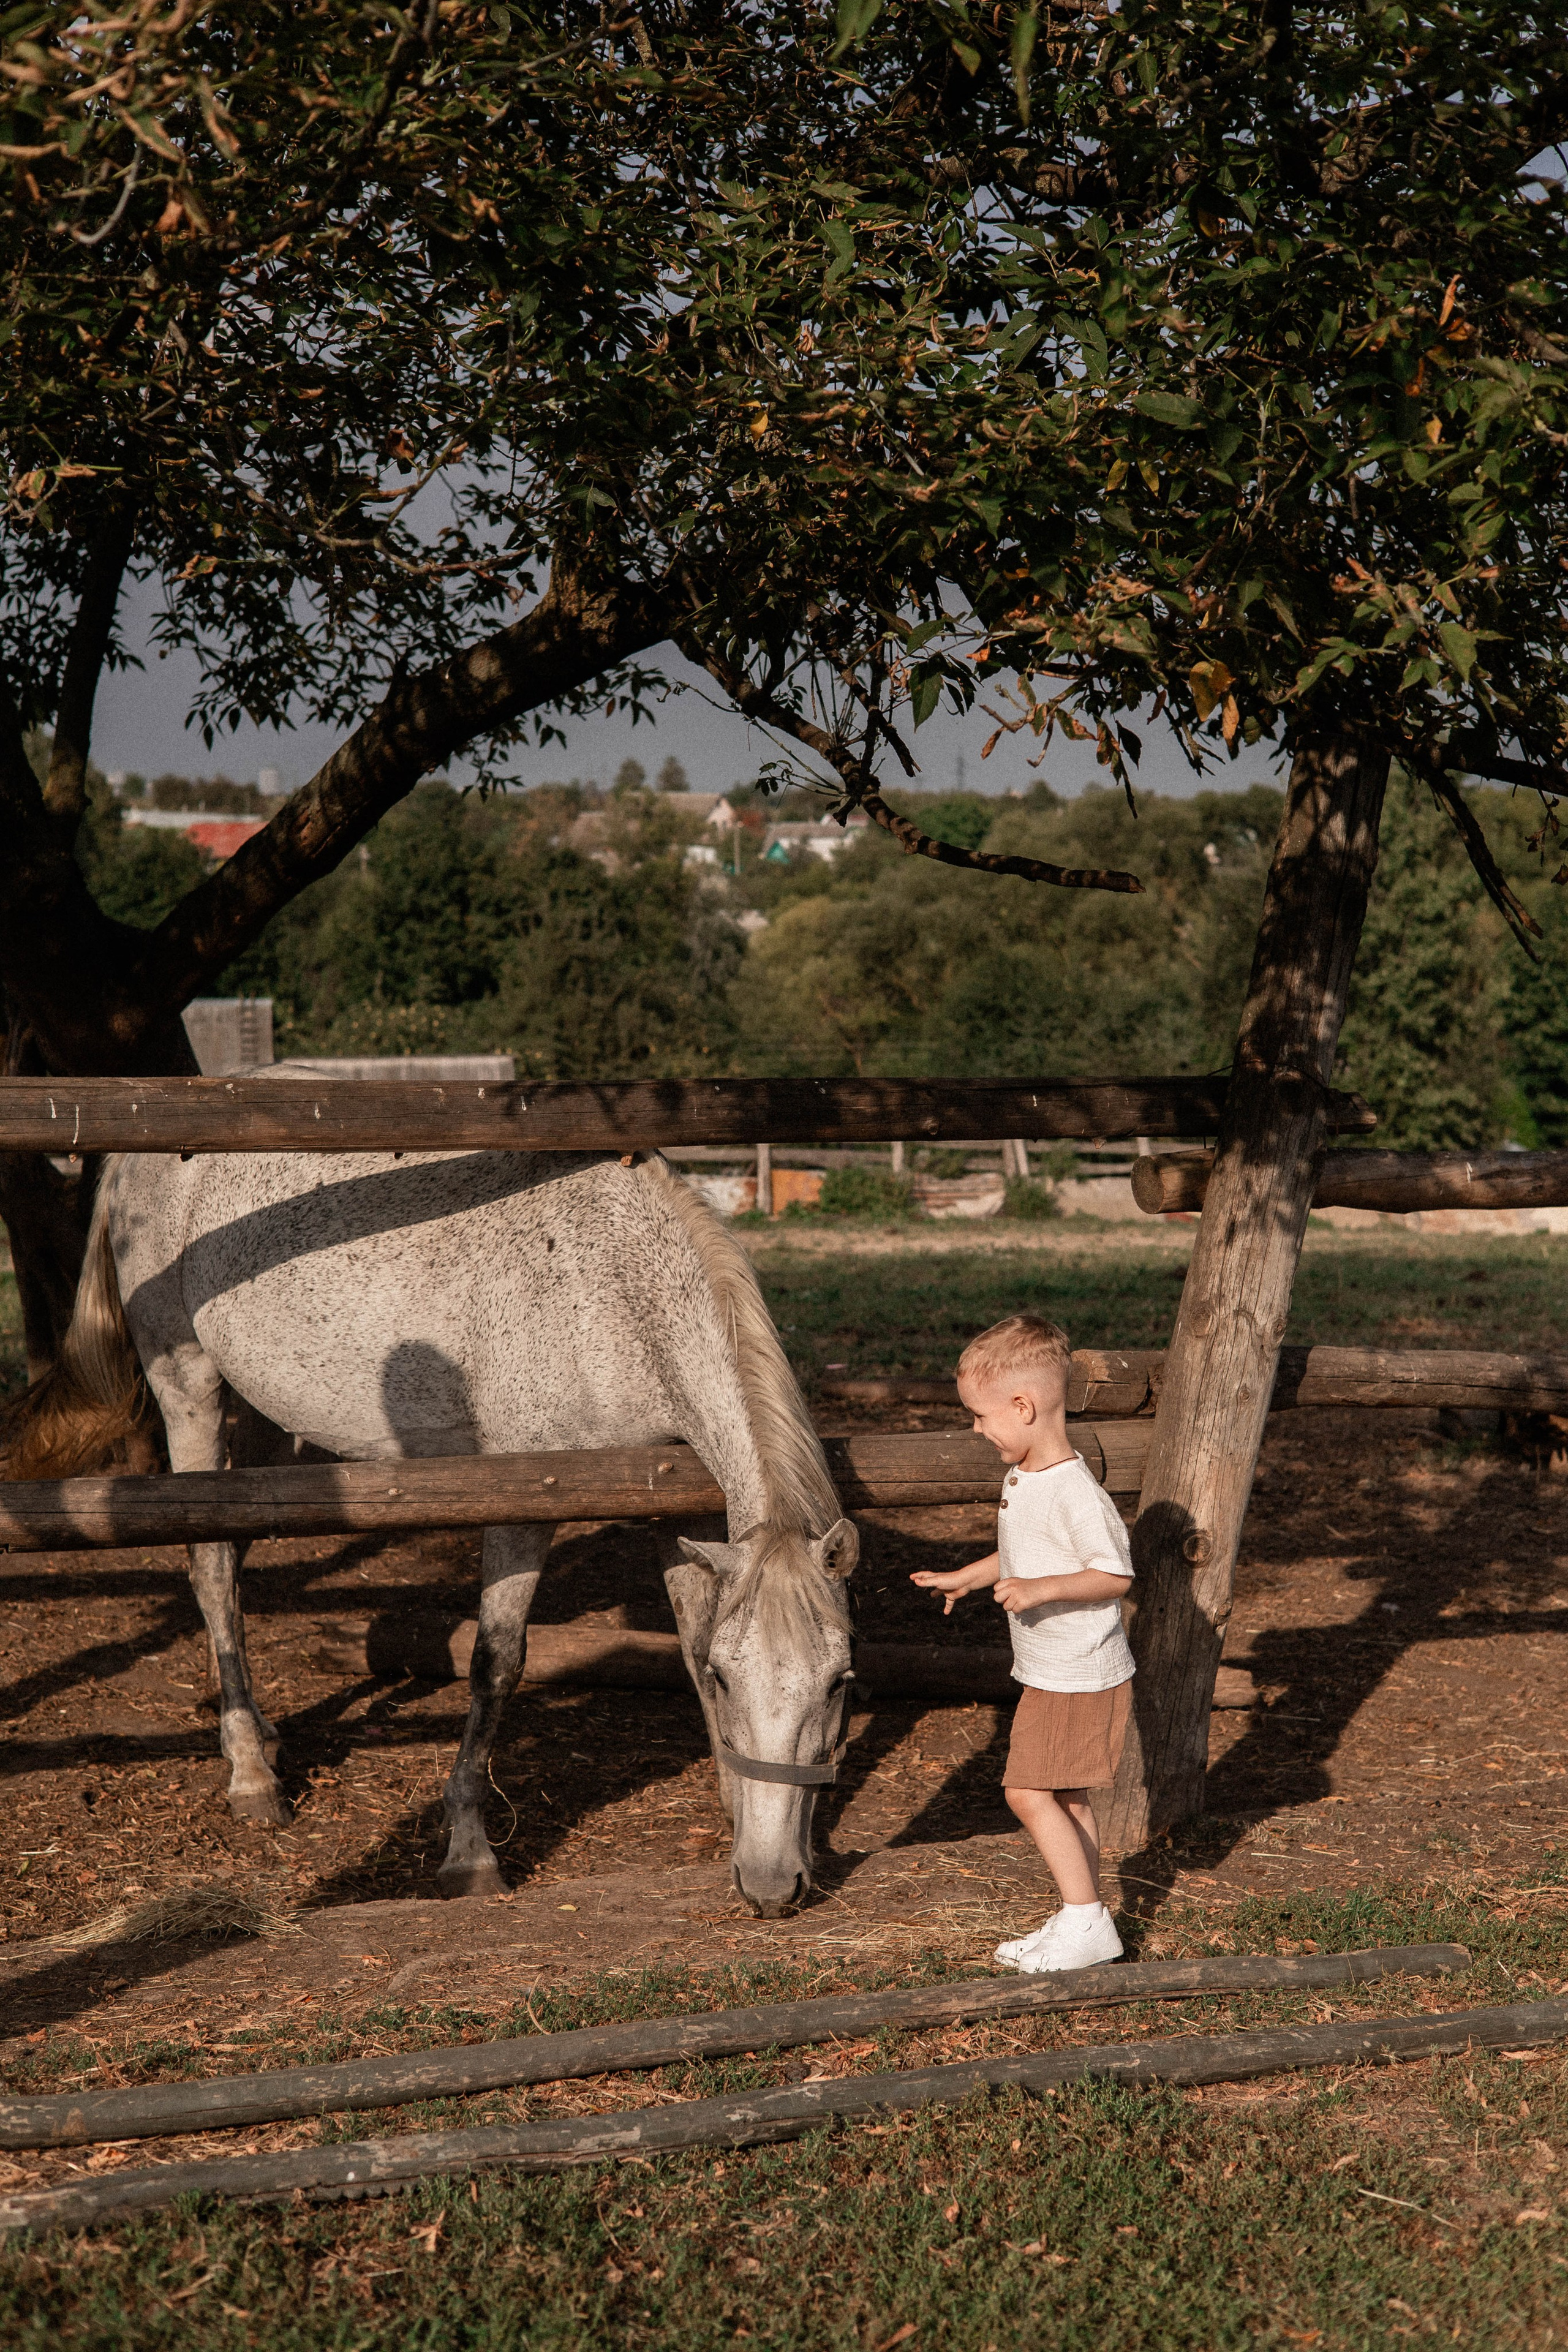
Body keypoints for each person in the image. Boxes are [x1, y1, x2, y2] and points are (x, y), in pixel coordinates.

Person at [911, 1313, 1133, 1973]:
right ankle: (1081, 1913)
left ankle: (1086, 1920)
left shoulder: (1073, 1490)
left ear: (1023, 1405)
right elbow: (1019, 1552)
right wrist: (972, 1578)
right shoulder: (1027, 1478)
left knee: (1026, 1793)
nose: (976, 1429)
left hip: (1079, 1673)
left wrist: (1040, 1591)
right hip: (1055, 1670)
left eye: (981, 1416)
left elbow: (1114, 1574)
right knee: (1066, 1797)